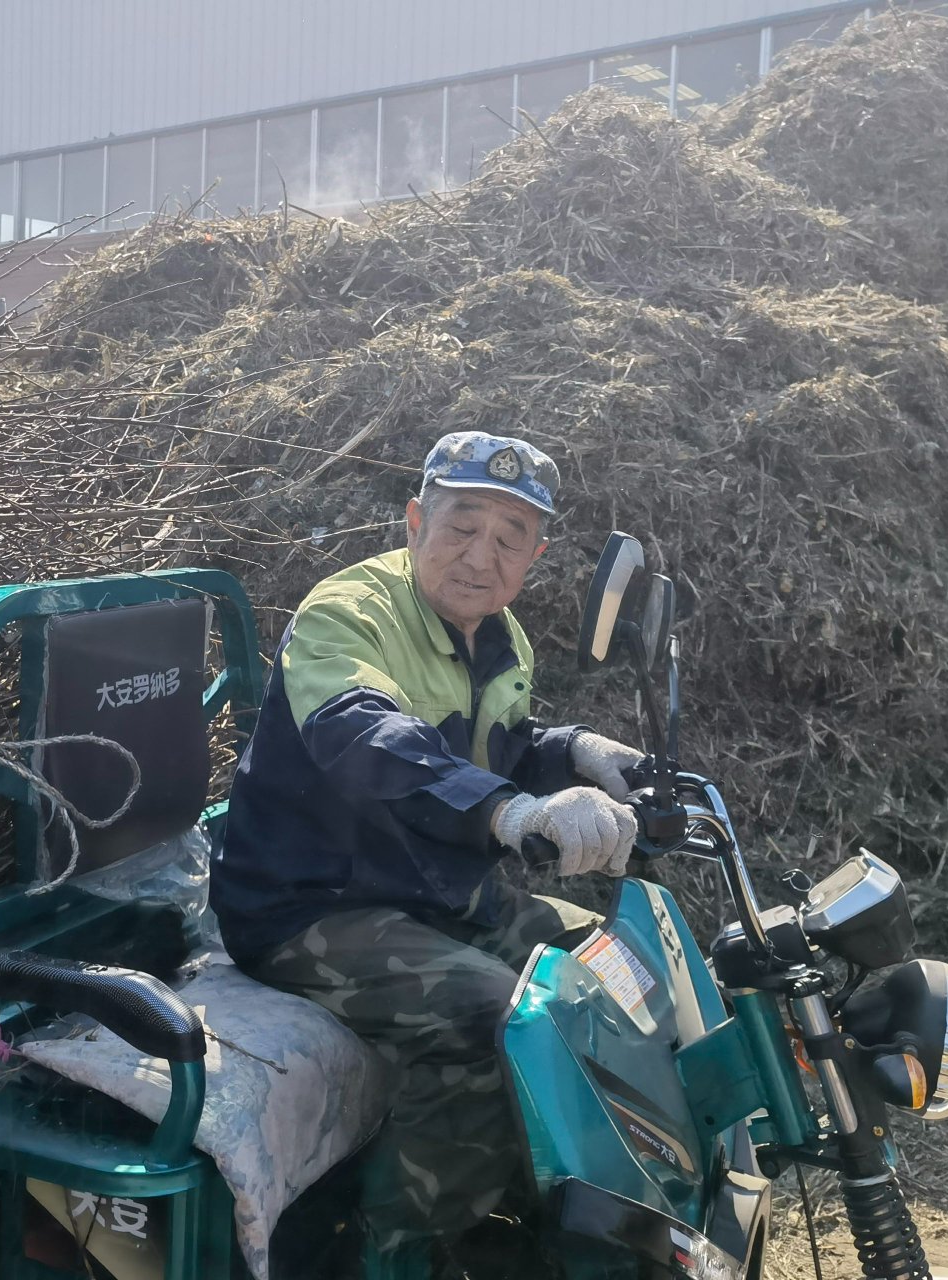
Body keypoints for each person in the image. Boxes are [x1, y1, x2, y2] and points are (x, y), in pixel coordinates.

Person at [209, 430, 648, 1262]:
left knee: (602, 962)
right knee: (495, 1020)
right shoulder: (347, 613)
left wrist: (578, 751)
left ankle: (538, 1197)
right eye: (462, 524)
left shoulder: (501, 637)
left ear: (535, 556)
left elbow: (496, 746)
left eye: (509, 537)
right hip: (313, 904)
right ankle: (394, 1253)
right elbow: (368, 737)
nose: (481, 556)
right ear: (415, 520)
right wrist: (512, 815)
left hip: (430, 889)